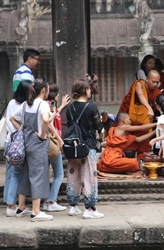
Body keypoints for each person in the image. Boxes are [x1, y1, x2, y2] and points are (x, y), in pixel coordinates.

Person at [10, 77, 53, 222]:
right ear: (43, 90)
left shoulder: (26, 104)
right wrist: (42, 135)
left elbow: (12, 118)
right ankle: (36, 211)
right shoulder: (43, 104)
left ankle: (21, 207)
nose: (48, 91)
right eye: (47, 89)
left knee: (26, 174)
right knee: (38, 176)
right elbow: (46, 120)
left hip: (26, 143)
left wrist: (22, 131)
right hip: (38, 144)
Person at [65, 78, 104, 219]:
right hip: (88, 145)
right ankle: (90, 208)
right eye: (89, 89)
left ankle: (73, 206)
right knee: (89, 176)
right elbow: (98, 125)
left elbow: (70, 124)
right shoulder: (91, 107)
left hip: (73, 145)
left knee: (73, 175)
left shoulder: (70, 107)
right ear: (86, 90)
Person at [4, 80, 33, 217]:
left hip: (11, 140)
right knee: (15, 173)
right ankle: (11, 203)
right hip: (17, 142)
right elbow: (12, 121)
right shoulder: (22, 105)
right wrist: (22, 131)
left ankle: (10, 202)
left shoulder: (12, 103)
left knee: (11, 173)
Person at [97, 112, 156, 177]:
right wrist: (158, 123)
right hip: (111, 160)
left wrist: (154, 131)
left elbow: (139, 139)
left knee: (132, 162)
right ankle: (125, 170)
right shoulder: (122, 127)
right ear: (124, 120)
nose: (130, 122)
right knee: (134, 163)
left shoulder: (120, 133)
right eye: (129, 119)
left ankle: (121, 170)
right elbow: (142, 128)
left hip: (104, 162)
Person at [43, 82, 70, 212]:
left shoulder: (47, 105)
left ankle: (46, 201)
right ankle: (51, 200)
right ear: (56, 94)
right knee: (59, 174)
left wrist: (62, 105)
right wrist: (60, 140)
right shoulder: (50, 105)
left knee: (46, 173)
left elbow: (53, 115)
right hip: (53, 142)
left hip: (45, 143)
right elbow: (50, 124)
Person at [119, 70, 162, 153]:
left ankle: (141, 157)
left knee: (143, 144)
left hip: (141, 119)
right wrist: (149, 108)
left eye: (157, 83)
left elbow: (160, 98)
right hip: (128, 115)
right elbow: (140, 95)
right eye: (153, 82)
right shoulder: (139, 83)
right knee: (124, 140)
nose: (155, 85)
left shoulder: (154, 90)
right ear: (147, 79)